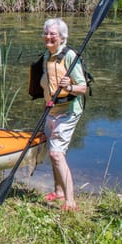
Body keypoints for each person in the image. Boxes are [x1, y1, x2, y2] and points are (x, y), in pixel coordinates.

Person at [40, 18, 86, 211]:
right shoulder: (47, 56)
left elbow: (83, 88)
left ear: (62, 37)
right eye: (46, 33)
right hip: (52, 110)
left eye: (53, 34)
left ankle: (70, 201)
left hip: (68, 112)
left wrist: (69, 86)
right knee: (52, 153)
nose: (49, 37)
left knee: (57, 154)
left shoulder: (70, 56)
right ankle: (58, 192)